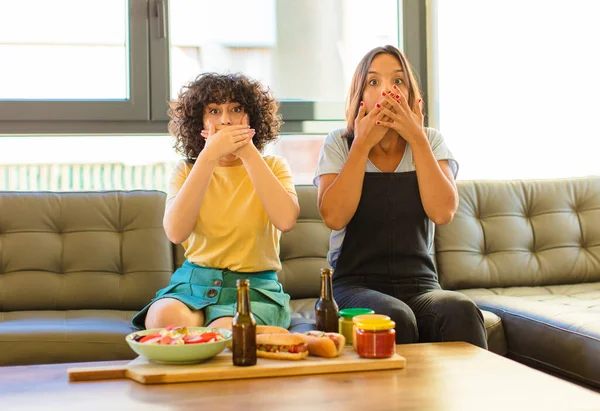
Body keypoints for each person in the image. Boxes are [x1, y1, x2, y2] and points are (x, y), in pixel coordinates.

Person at [314, 45, 487, 348]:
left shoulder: (430, 140)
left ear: (411, 96)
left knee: (462, 310)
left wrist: (417, 138)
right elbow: (334, 216)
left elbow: (443, 212)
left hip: (420, 284)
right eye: (373, 82)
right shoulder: (340, 144)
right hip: (353, 284)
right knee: (394, 317)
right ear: (360, 97)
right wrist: (362, 145)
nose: (387, 91)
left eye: (397, 82)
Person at [132, 73, 299, 331]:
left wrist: (247, 151)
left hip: (254, 289)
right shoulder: (186, 171)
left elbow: (286, 220)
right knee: (163, 319)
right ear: (199, 120)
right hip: (193, 283)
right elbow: (176, 233)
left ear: (252, 117)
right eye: (214, 110)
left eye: (236, 109)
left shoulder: (274, 166)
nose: (225, 120)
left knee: (227, 330)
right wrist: (208, 156)